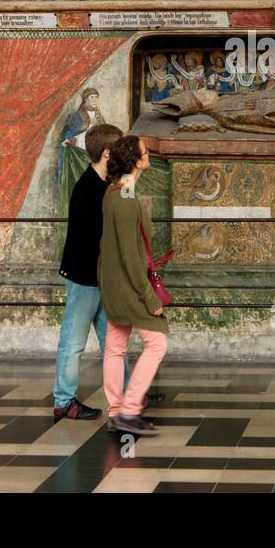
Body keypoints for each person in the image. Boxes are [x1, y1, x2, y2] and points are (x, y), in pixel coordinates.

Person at [52, 125, 164, 421]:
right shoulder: (89, 189)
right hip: (85, 276)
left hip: (103, 279)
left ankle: (130, 394)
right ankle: (64, 400)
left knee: (113, 341)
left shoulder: (109, 187)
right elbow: (96, 240)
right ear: (106, 153)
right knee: (74, 340)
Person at [99, 136, 170, 436]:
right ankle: (129, 411)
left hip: (111, 283)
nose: (148, 153)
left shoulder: (114, 193)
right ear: (136, 161)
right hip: (129, 286)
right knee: (157, 343)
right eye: (144, 151)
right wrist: (148, 296)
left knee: (115, 347)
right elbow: (131, 255)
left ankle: (116, 411)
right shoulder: (127, 199)